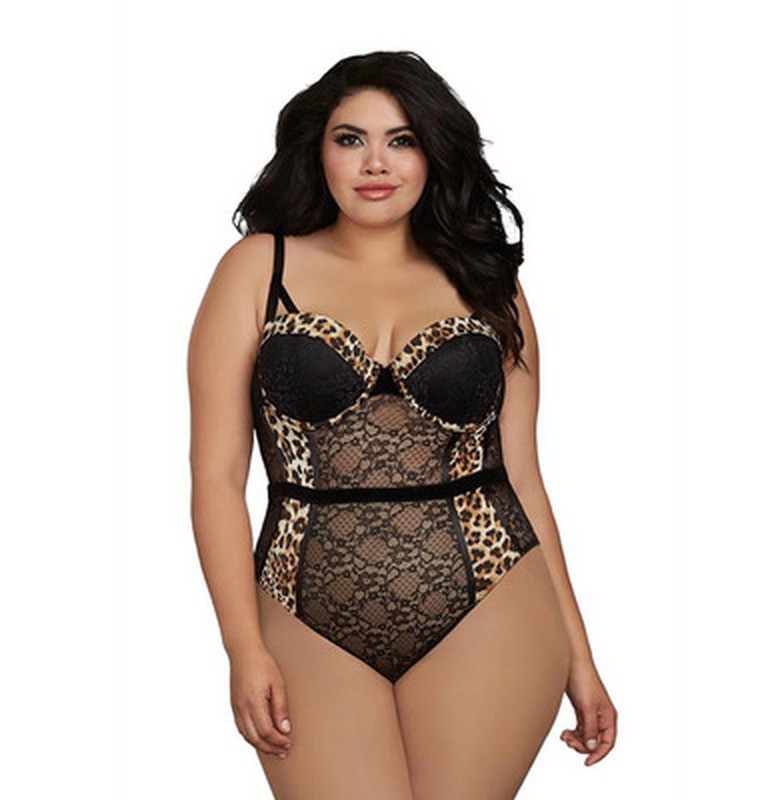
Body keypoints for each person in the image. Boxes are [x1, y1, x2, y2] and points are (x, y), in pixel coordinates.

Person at [187, 50, 617, 799]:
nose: (375, 162)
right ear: (317, 150)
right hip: (303, 603)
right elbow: (217, 479)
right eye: (350, 139)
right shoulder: (258, 269)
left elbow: (522, 477)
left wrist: (582, 659)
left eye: (402, 139)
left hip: (491, 597)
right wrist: (242, 648)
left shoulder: (488, 283)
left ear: (432, 154)